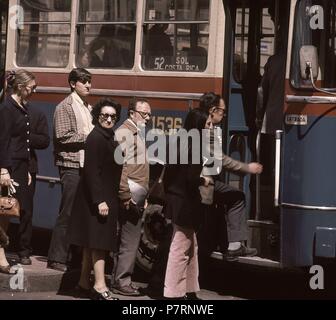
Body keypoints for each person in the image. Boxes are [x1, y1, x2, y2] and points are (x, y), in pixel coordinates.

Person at [67, 98, 122, 300]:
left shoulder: (108, 136)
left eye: (113, 116)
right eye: (105, 115)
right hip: (98, 200)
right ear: (97, 116)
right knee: (99, 244)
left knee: (91, 243)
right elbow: (91, 172)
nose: (109, 119)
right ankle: (100, 286)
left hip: (102, 198)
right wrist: (100, 201)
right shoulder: (96, 138)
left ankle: (83, 284)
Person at [199, 92, 263, 261]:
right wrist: (247, 167)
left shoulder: (206, 125)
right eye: (222, 111)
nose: (224, 114)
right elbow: (220, 160)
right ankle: (234, 245)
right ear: (213, 110)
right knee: (237, 197)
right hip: (203, 183)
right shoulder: (207, 128)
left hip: (207, 179)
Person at [47, 68, 94, 272]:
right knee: (67, 212)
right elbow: (62, 136)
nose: (88, 85)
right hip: (71, 165)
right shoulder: (65, 107)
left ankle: (74, 258)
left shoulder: (87, 107)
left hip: (84, 165)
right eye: (84, 81)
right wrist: (88, 137)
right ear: (73, 84)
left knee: (81, 213)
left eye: (89, 81)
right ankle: (56, 257)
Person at [163, 108, 212, 300]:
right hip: (186, 203)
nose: (211, 127)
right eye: (208, 124)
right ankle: (173, 293)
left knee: (191, 247)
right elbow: (192, 179)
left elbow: (169, 175)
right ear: (199, 125)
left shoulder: (180, 141)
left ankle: (190, 289)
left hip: (177, 199)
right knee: (180, 248)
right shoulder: (197, 146)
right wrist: (204, 180)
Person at [111, 98, 151, 296]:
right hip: (130, 195)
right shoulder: (125, 133)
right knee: (129, 240)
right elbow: (122, 168)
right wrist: (126, 195)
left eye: (149, 114)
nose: (148, 117)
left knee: (126, 239)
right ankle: (122, 281)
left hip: (136, 194)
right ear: (132, 113)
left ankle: (118, 278)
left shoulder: (136, 132)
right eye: (144, 113)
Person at [0, 69, 37, 266]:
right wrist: (3, 169)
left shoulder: (21, 106)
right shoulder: (7, 108)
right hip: (10, 167)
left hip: (20, 167)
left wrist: (27, 169)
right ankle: (1, 256)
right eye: (31, 88)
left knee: (12, 210)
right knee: (4, 211)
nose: (33, 91)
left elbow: (25, 141)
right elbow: (3, 140)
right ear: (21, 87)